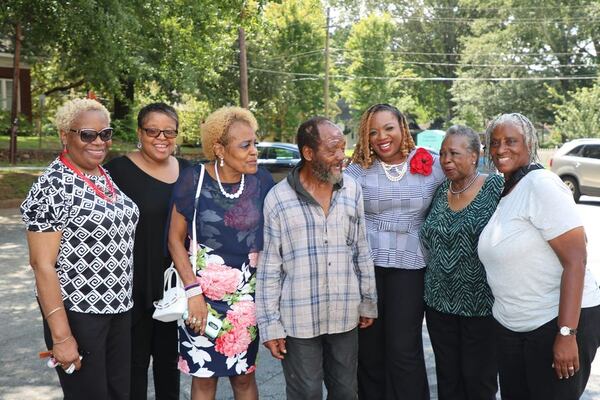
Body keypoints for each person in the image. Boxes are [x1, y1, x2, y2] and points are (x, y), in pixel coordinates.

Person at [20, 98, 139, 399]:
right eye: (87, 135)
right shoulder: (53, 185)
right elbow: (42, 265)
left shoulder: (101, 174)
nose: (99, 142)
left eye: (105, 134)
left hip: (118, 310)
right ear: (65, 135)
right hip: (80, 315)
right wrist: (61, 337)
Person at [478, 113, 600, 399]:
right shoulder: (510, 189)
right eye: (494, 142)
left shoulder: (541, 184)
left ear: (529, 143)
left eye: (511, 141)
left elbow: (575, 259)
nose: (500, 149)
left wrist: (567, 333)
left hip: (555, 322)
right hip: (514, 326)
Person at [256, 116, 377, 400]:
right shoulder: (278, 199)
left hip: (344, 313)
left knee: (346, 391)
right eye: (332, 149)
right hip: (299, 319)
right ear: (308, 153)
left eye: (343, 148)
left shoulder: (352, 190)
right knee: (306, 392)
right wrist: (270, 324)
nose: (341, 157)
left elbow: (361, 248)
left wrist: (368, 302)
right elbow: (270, 267)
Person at [168, 106, 274, 399]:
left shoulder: (262, 181)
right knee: (203, 378)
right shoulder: (194, 180)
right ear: (220, 148)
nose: (254, 151)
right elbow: (175, 240)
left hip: (246, 300)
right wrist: (193, 292)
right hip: (200, 296)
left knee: (243, 376)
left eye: (255, 144)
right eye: (245, 145)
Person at [344, 103, 444, 399]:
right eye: (373, 132)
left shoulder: (431, 162)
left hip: (411, 266)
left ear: (402, 127)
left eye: (388, 128)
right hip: (367, 268)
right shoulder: (356, 170)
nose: (382, 137)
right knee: (370, 350)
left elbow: (462, 185)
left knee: (403, 348)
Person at [104, 102, 190, 399]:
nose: (161, 137)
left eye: (169, 131)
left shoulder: (190, 173)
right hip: (130, 287)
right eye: (153, 130)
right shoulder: (116, 172)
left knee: (169, 366)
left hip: (174, 288)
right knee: (132, 368)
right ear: (140, 132)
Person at [420, 125, 502, 400]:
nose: (445, 160)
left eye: (454, 153)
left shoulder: (496, 187)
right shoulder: (440, 190)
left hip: (481, 306)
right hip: (438, 304)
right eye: (442, 154)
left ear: (474, 156)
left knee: (478, 381)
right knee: (448, 378)